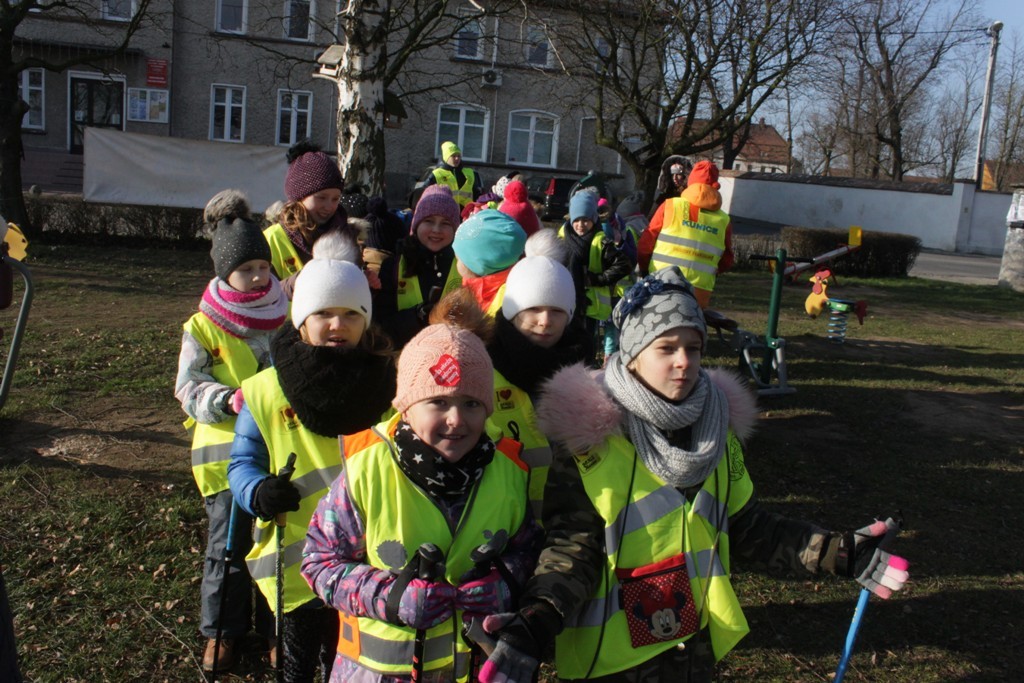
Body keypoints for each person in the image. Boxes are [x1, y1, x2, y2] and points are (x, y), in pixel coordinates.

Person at [476, 267, 910, 682]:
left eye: (694, 347)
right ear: (631, 355)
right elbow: (572, 550)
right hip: (613, 662)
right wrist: (537, 619)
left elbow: (750, 528)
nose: (684, 362)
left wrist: (837, 552)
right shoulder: (592, 443)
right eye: (666, 348)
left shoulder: (716, 430)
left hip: (690, 649)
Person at [301, 295, 541, 682]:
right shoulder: (368, 470)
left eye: (471, 404)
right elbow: (318, 561)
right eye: (438, 402)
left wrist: (505, 581)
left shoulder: (508, 471)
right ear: (407, 407)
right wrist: (389, 596)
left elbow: (528, 548)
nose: (455, 419)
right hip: (379, 672)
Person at [228, 232, 396, 682]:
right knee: (298, 665)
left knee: (352, 662)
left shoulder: (389, 383)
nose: (337, 325)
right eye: (322, 313)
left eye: (349, 314)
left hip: (368, 557)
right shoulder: (266, 388)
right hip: (297, 560)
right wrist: (258, 490)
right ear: (301, 319)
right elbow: (242, 462)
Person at [175, 193, 288, 673]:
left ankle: (274, 631)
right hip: (225, 461)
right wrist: (227, 400)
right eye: (247, 270)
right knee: (228, 549)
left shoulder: (286, 314)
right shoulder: (204, 326)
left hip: (281, 452)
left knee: (279, 544)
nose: (260, 277)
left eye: (264, 266)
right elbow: (186, 386)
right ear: (225, 274)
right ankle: (220, 631)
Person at [489, 231, 592, 522]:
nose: (545, 321)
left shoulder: (584, 369)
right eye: (532, 309)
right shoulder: (484, 365)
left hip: (565, 517)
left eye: (556, 311)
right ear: (511, 312)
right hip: (498, 517)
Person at [638, 160, 735, 309]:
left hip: (661, 284)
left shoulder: (670, 205)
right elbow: (727, 259)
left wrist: (644, 269)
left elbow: (646, 242)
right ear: (716, 185)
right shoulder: (724, 220)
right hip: (699, 292)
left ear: (690, 182)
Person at [375, 184, 464, 347]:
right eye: (429, 221)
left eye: (445, 223)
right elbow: (380, 326)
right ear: (416, 225)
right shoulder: (393, 266)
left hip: (455, 360)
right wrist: (417, 316)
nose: (436, 229)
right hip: (404, 359)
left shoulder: (466, 266)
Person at [262, 140, 360, 287]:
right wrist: (297, 283)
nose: (329, 206)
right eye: (321, 197)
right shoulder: (272, 238)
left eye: (335, 199)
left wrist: (368, 284)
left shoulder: (346, 235)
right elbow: (258, 295)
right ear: (299, 196)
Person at [558, 189, 633, 365]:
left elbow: (624, 264)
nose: (581, 225)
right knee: (565, 340)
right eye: (576, 220)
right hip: (565, 298)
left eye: (586, 220)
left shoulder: (600, 240)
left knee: (587, 342)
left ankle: (587, 371)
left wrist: (598, 279)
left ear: (594, 219)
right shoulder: (562, 237)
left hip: (590, 303)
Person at [451, 208, 527, 317]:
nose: (456, 262)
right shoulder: (476, 283)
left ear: (478, 266)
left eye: (459, 259)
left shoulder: (505, 301)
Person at [425, 141, 483, 208]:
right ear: (446, 158)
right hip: (445, 213)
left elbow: (477, 195)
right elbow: (425, 195)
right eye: (453, 156)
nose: (457, 158)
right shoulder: (437, 174)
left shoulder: (469, 173)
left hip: (466, 214)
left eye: (459, 156)